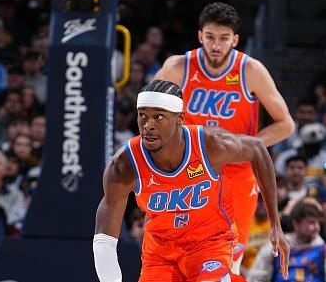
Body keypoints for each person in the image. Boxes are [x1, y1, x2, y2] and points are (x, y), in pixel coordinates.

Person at [93, 80, 289, 282]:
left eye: (158, 117)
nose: (148, 125)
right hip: (160, 251)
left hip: (210, 242)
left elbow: (257, 149)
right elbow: (104, 241)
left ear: (180, 119)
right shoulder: (124, 165)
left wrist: (275, 224)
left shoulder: (210, 145)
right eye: (142, 116)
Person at [153, 2, 295, 273]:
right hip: (190, 169)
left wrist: (245, 147)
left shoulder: (250, 70)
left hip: (237, 173)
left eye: (223, 38)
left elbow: (285, 124)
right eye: (210, 37)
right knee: (179, 252)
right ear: (200, 36)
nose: (216, 45)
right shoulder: (177, 67)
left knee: (230, 258)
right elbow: (148, 112)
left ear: (235, 40)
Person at [247, 198, 325, 282]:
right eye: (311, 222)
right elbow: (255, 278)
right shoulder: (276, 246)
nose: (317, 228)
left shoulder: (322, 249)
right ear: (296, 223)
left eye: (318, 223)